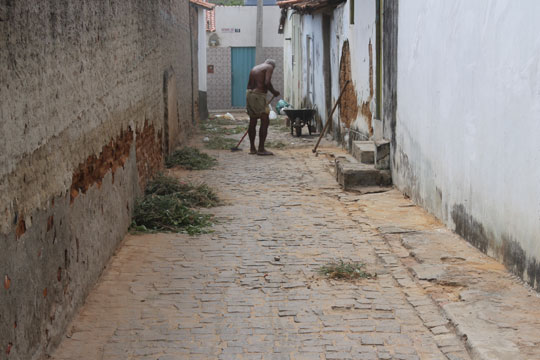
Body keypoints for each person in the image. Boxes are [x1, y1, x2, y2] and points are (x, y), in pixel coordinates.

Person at [246, 59, 280, 155]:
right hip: (258, 95)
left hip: (249, 94)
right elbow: (267, 82)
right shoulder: (269, 67)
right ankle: (261, 149)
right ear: (272, 65)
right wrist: (274, 92)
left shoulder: (256, 67)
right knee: (265, 120)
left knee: (253, 120)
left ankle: (252, 148)